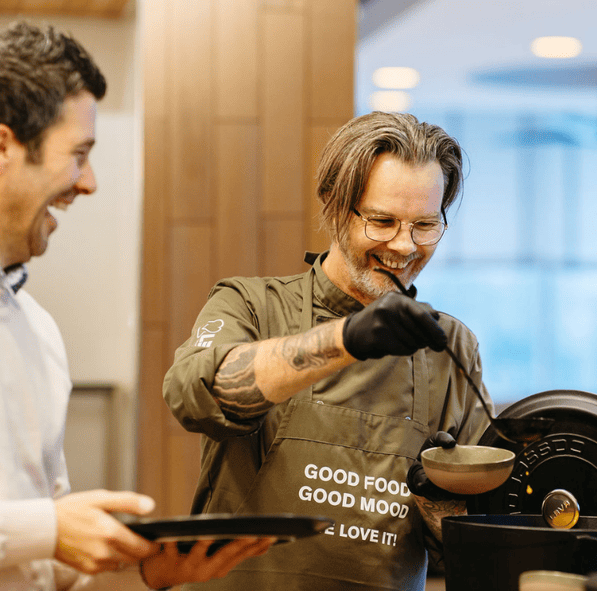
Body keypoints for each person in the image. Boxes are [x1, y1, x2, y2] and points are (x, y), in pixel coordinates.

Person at [0, 21, 274, 590]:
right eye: (79, 154)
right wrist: (48, 529)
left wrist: (143, 563)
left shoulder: (36, 328)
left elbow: (36, 553)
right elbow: (38, 530)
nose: (89, 182)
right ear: (1, 148)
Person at [162, 111, 492, 590]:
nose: (405, 246)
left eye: (424, 225)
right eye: (382, 221)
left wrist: (441, 501)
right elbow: (196, 394)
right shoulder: (250, 305)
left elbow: (478, 547)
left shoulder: (450, 347)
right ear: (335, 205)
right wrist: (346, 339)